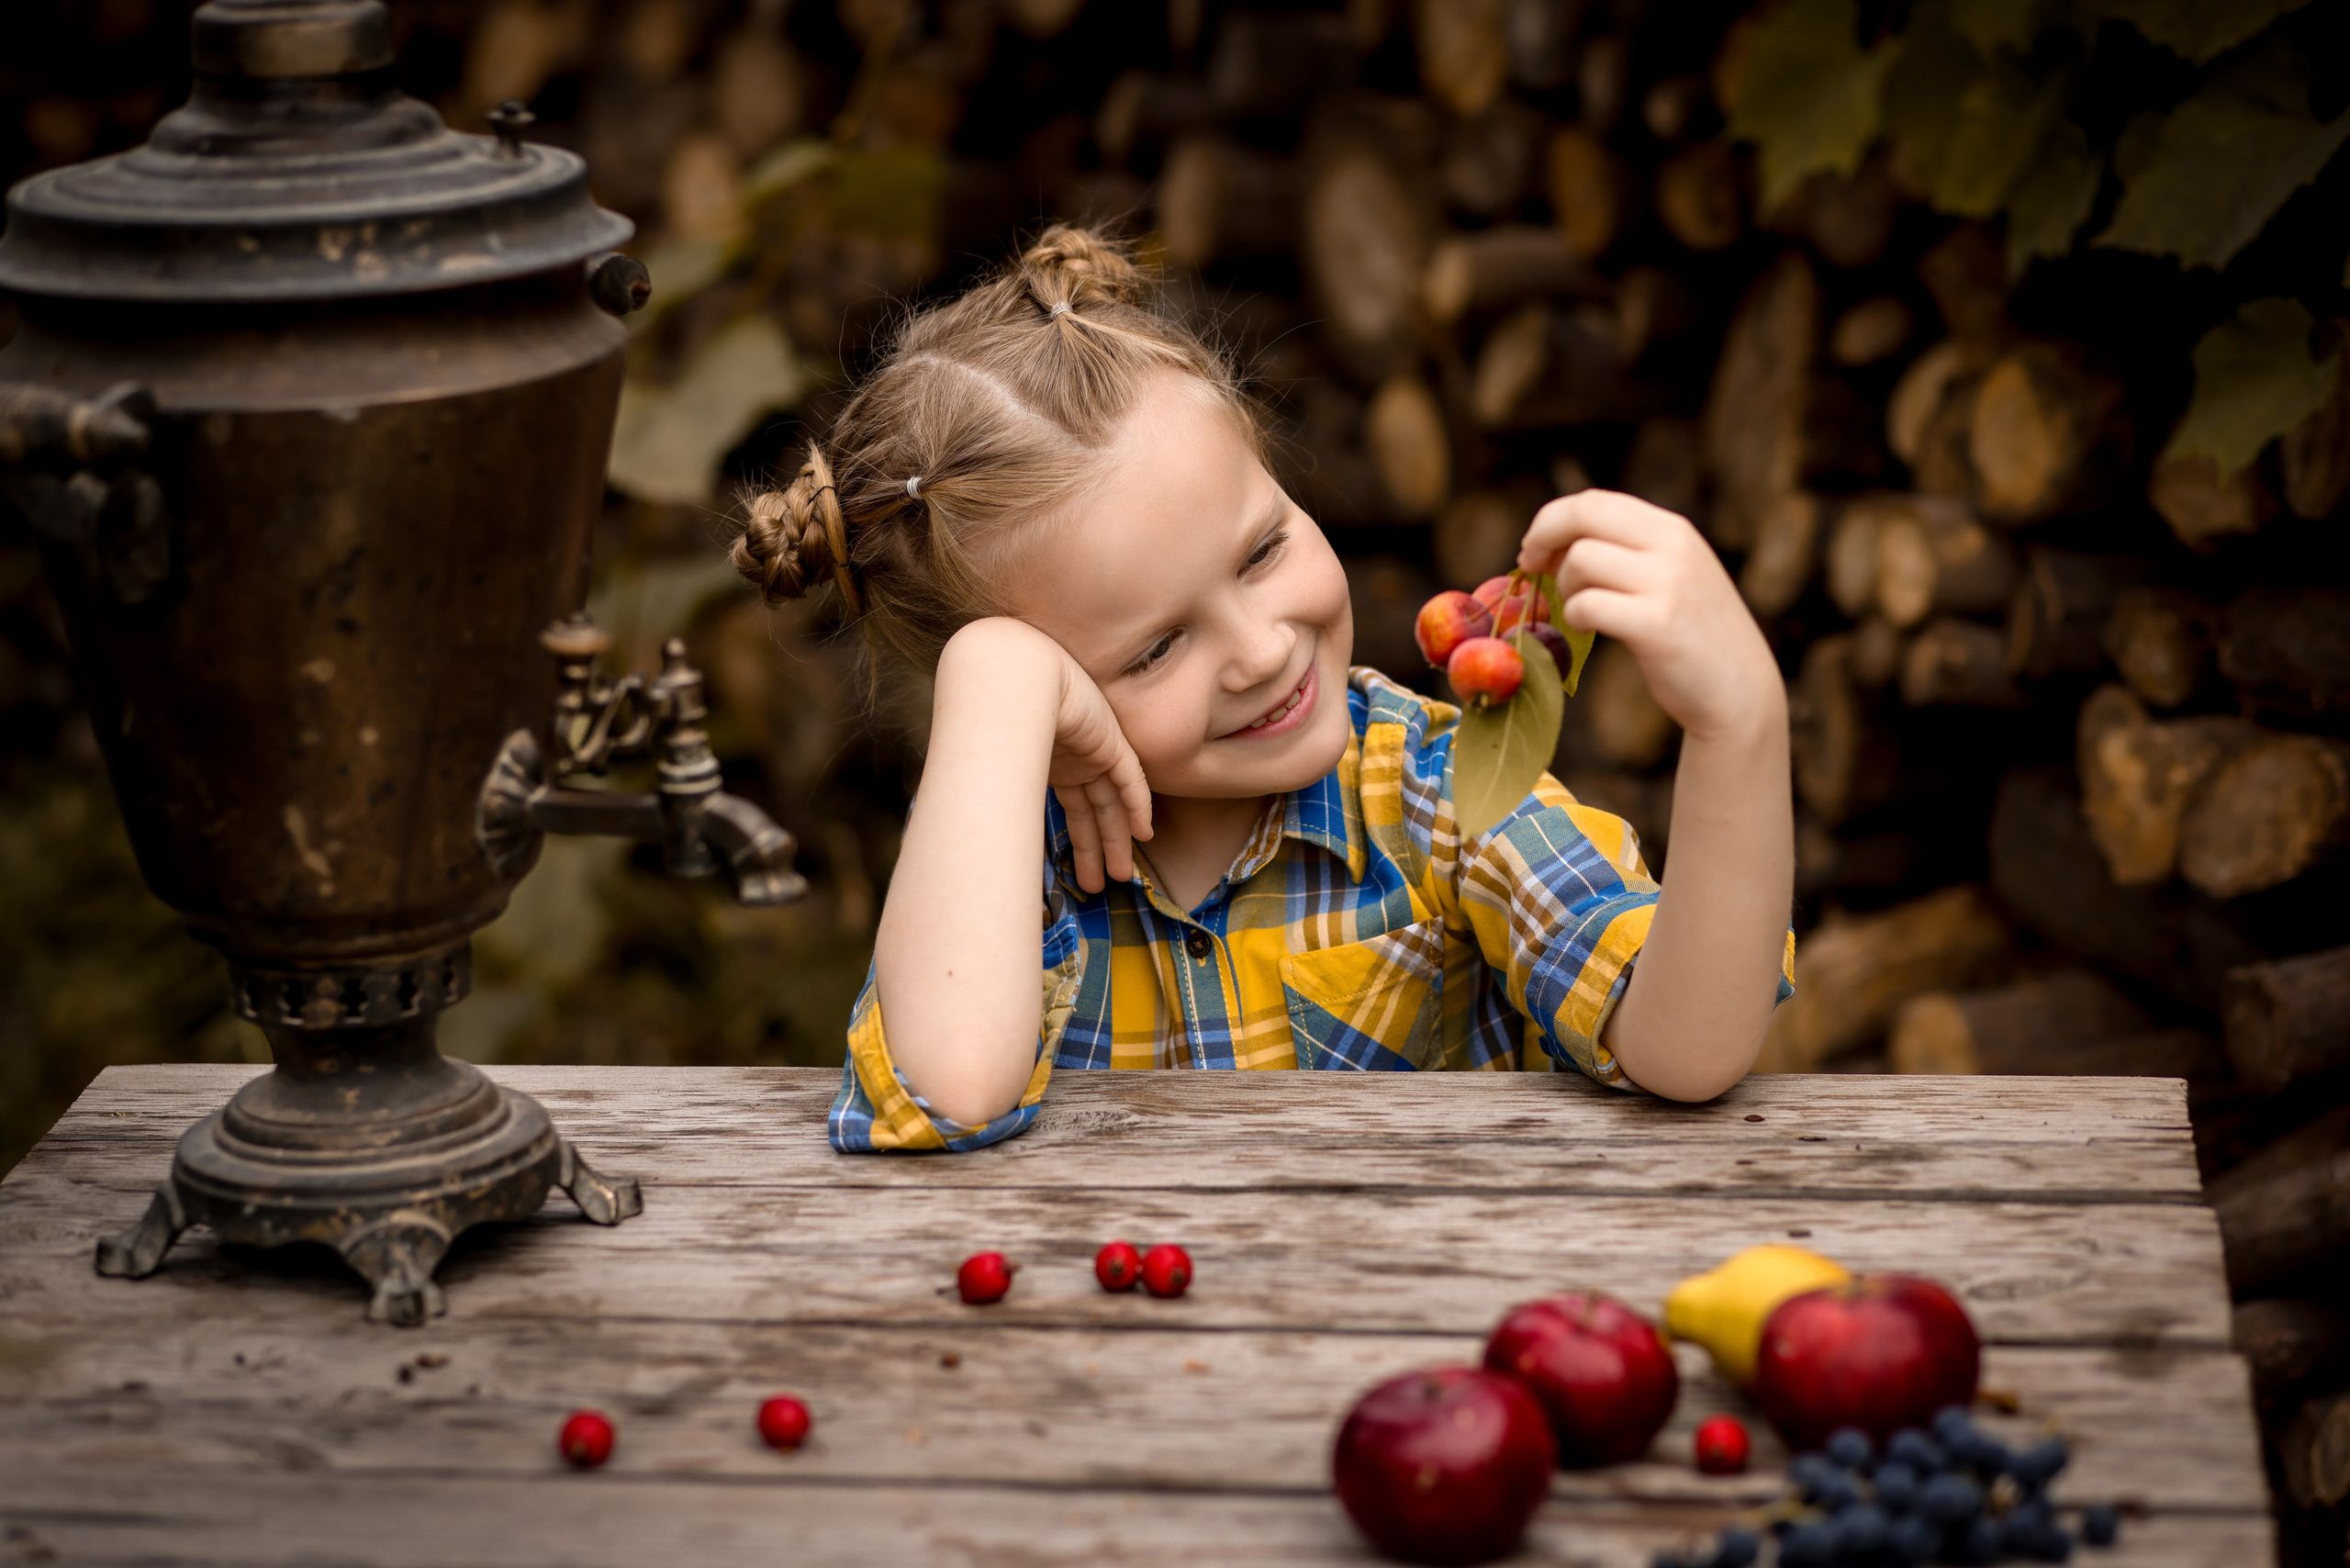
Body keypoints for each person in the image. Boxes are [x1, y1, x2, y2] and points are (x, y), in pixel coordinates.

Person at [730, 226, 1794, 1153]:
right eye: (1155, 649)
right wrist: (994, 674)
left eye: (1261, 550)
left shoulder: (1436, 793)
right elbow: (945, 1094)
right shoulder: (1011, 855)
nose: (1258, 649)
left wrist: (1739, 726)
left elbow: (1682, 1049)